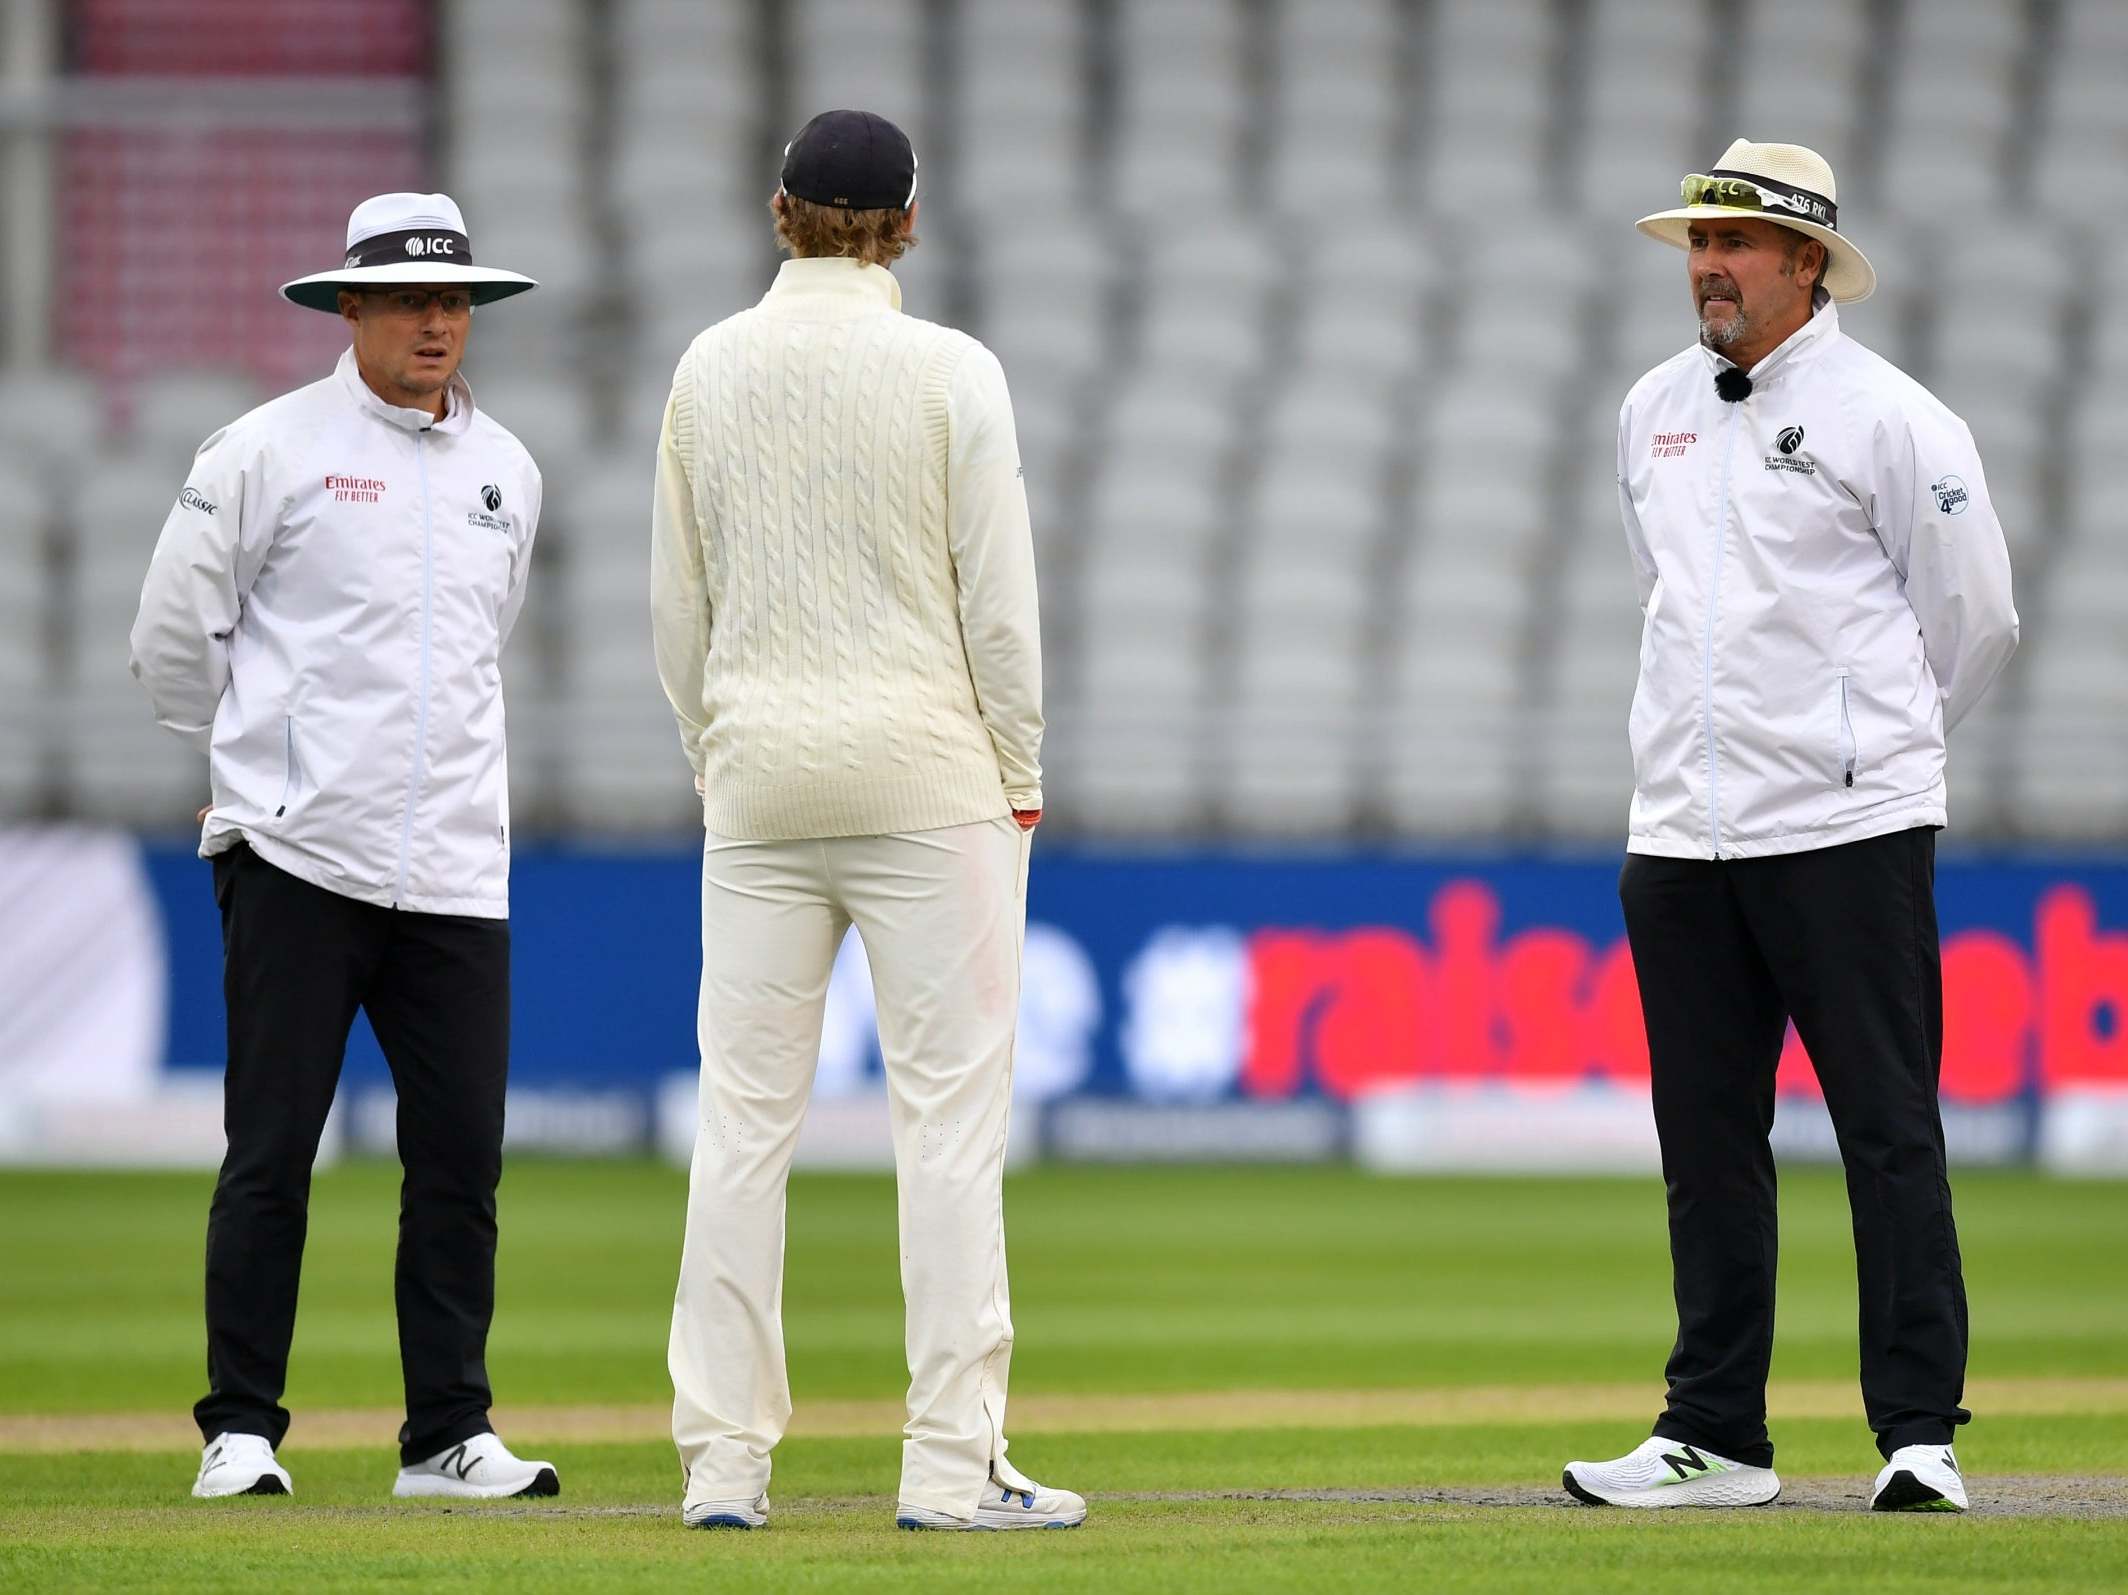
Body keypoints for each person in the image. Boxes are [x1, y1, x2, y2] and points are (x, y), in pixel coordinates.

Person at [1562, 140, 2018, 1514]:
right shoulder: (1651, 409)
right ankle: (1714, 1434)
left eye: (1738, 241)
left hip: (1846, 832)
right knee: (1706, 1140)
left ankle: (1920, 1435)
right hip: (1685, 836)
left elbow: (1977, 622)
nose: (1707, 263)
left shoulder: (1898, 419)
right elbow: (1674, 593)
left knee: (1887, 1129)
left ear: (1808, 263)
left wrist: (1866, 759)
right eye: (1700, 238)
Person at [651, 110, 1081, 1532]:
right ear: (905, 223)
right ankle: (950, 1470)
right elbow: (999, 610)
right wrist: (1016, 770)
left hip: (763, 782)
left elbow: (677, 613)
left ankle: (724, 1467)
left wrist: (724, 757)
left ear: (781, 213)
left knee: (741, 1126)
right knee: (949, 1130)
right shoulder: (953, 371)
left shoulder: (709, 368)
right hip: (928, 781)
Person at [130, 192, 559, 1502]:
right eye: (411, 301)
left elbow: (479, 653)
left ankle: (446, 1436)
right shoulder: (266, 451)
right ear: (350, 309)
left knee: (458, 1169)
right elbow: (168, 646)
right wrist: (273, 780)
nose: (438, 323)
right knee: (271, 1154)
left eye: (455, 301)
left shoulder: (509, 472)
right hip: (296, 861)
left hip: (455, 874)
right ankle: (240, 1430)